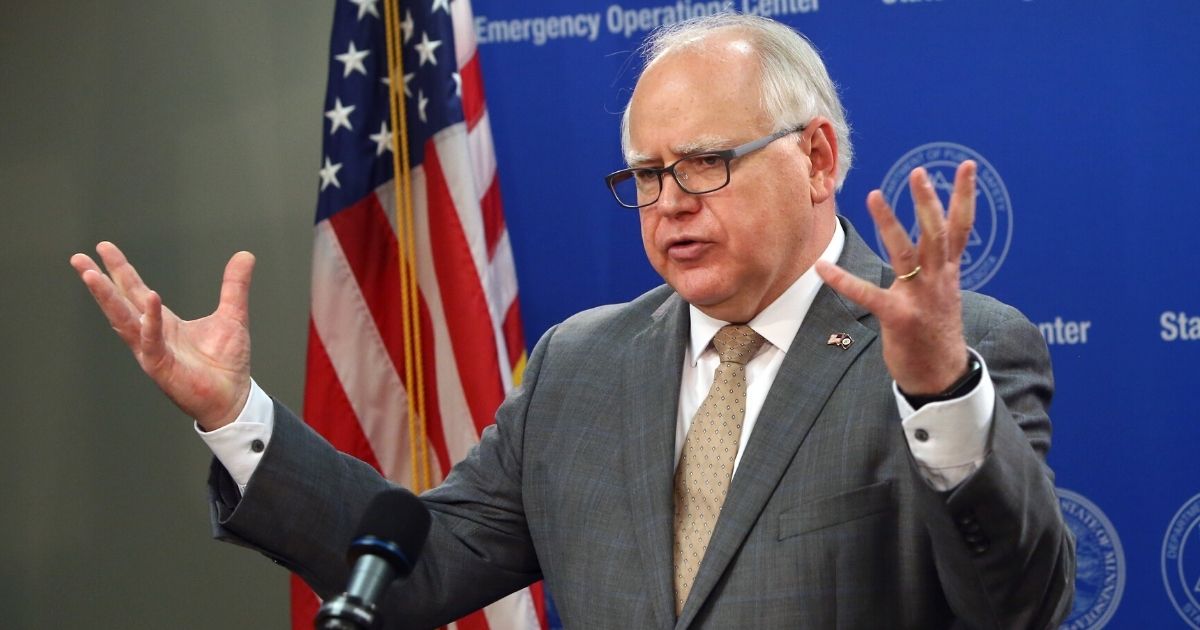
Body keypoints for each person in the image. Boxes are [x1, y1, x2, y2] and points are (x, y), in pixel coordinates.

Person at [70, 13, 1074, 629]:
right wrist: (234, 412)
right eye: (645, 175)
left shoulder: (960, 349)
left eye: (704, 163)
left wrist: (938, 389)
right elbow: (418, 569)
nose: (670, 201)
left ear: (816, 157)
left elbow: (1018, 608)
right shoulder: (582, 366)